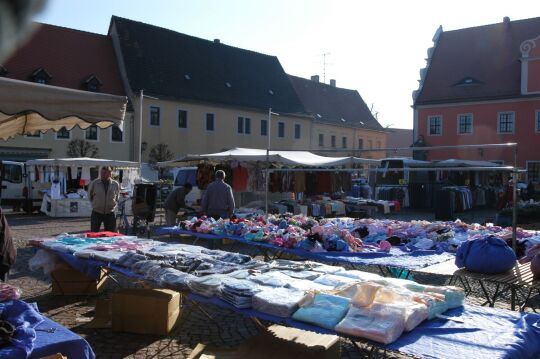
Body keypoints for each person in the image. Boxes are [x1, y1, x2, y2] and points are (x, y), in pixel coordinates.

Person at [88, 166, 120, 232]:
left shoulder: (115, 184)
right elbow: (89, 196)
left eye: (105, 173)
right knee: (94, 234)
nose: (103, 174)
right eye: (102, 173)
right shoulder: (94, 183)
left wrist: (113, 204)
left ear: (110, 173)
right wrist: (96, 204)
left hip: (110, 213)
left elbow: (117, 196)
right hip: (97, 212)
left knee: (110, 235)